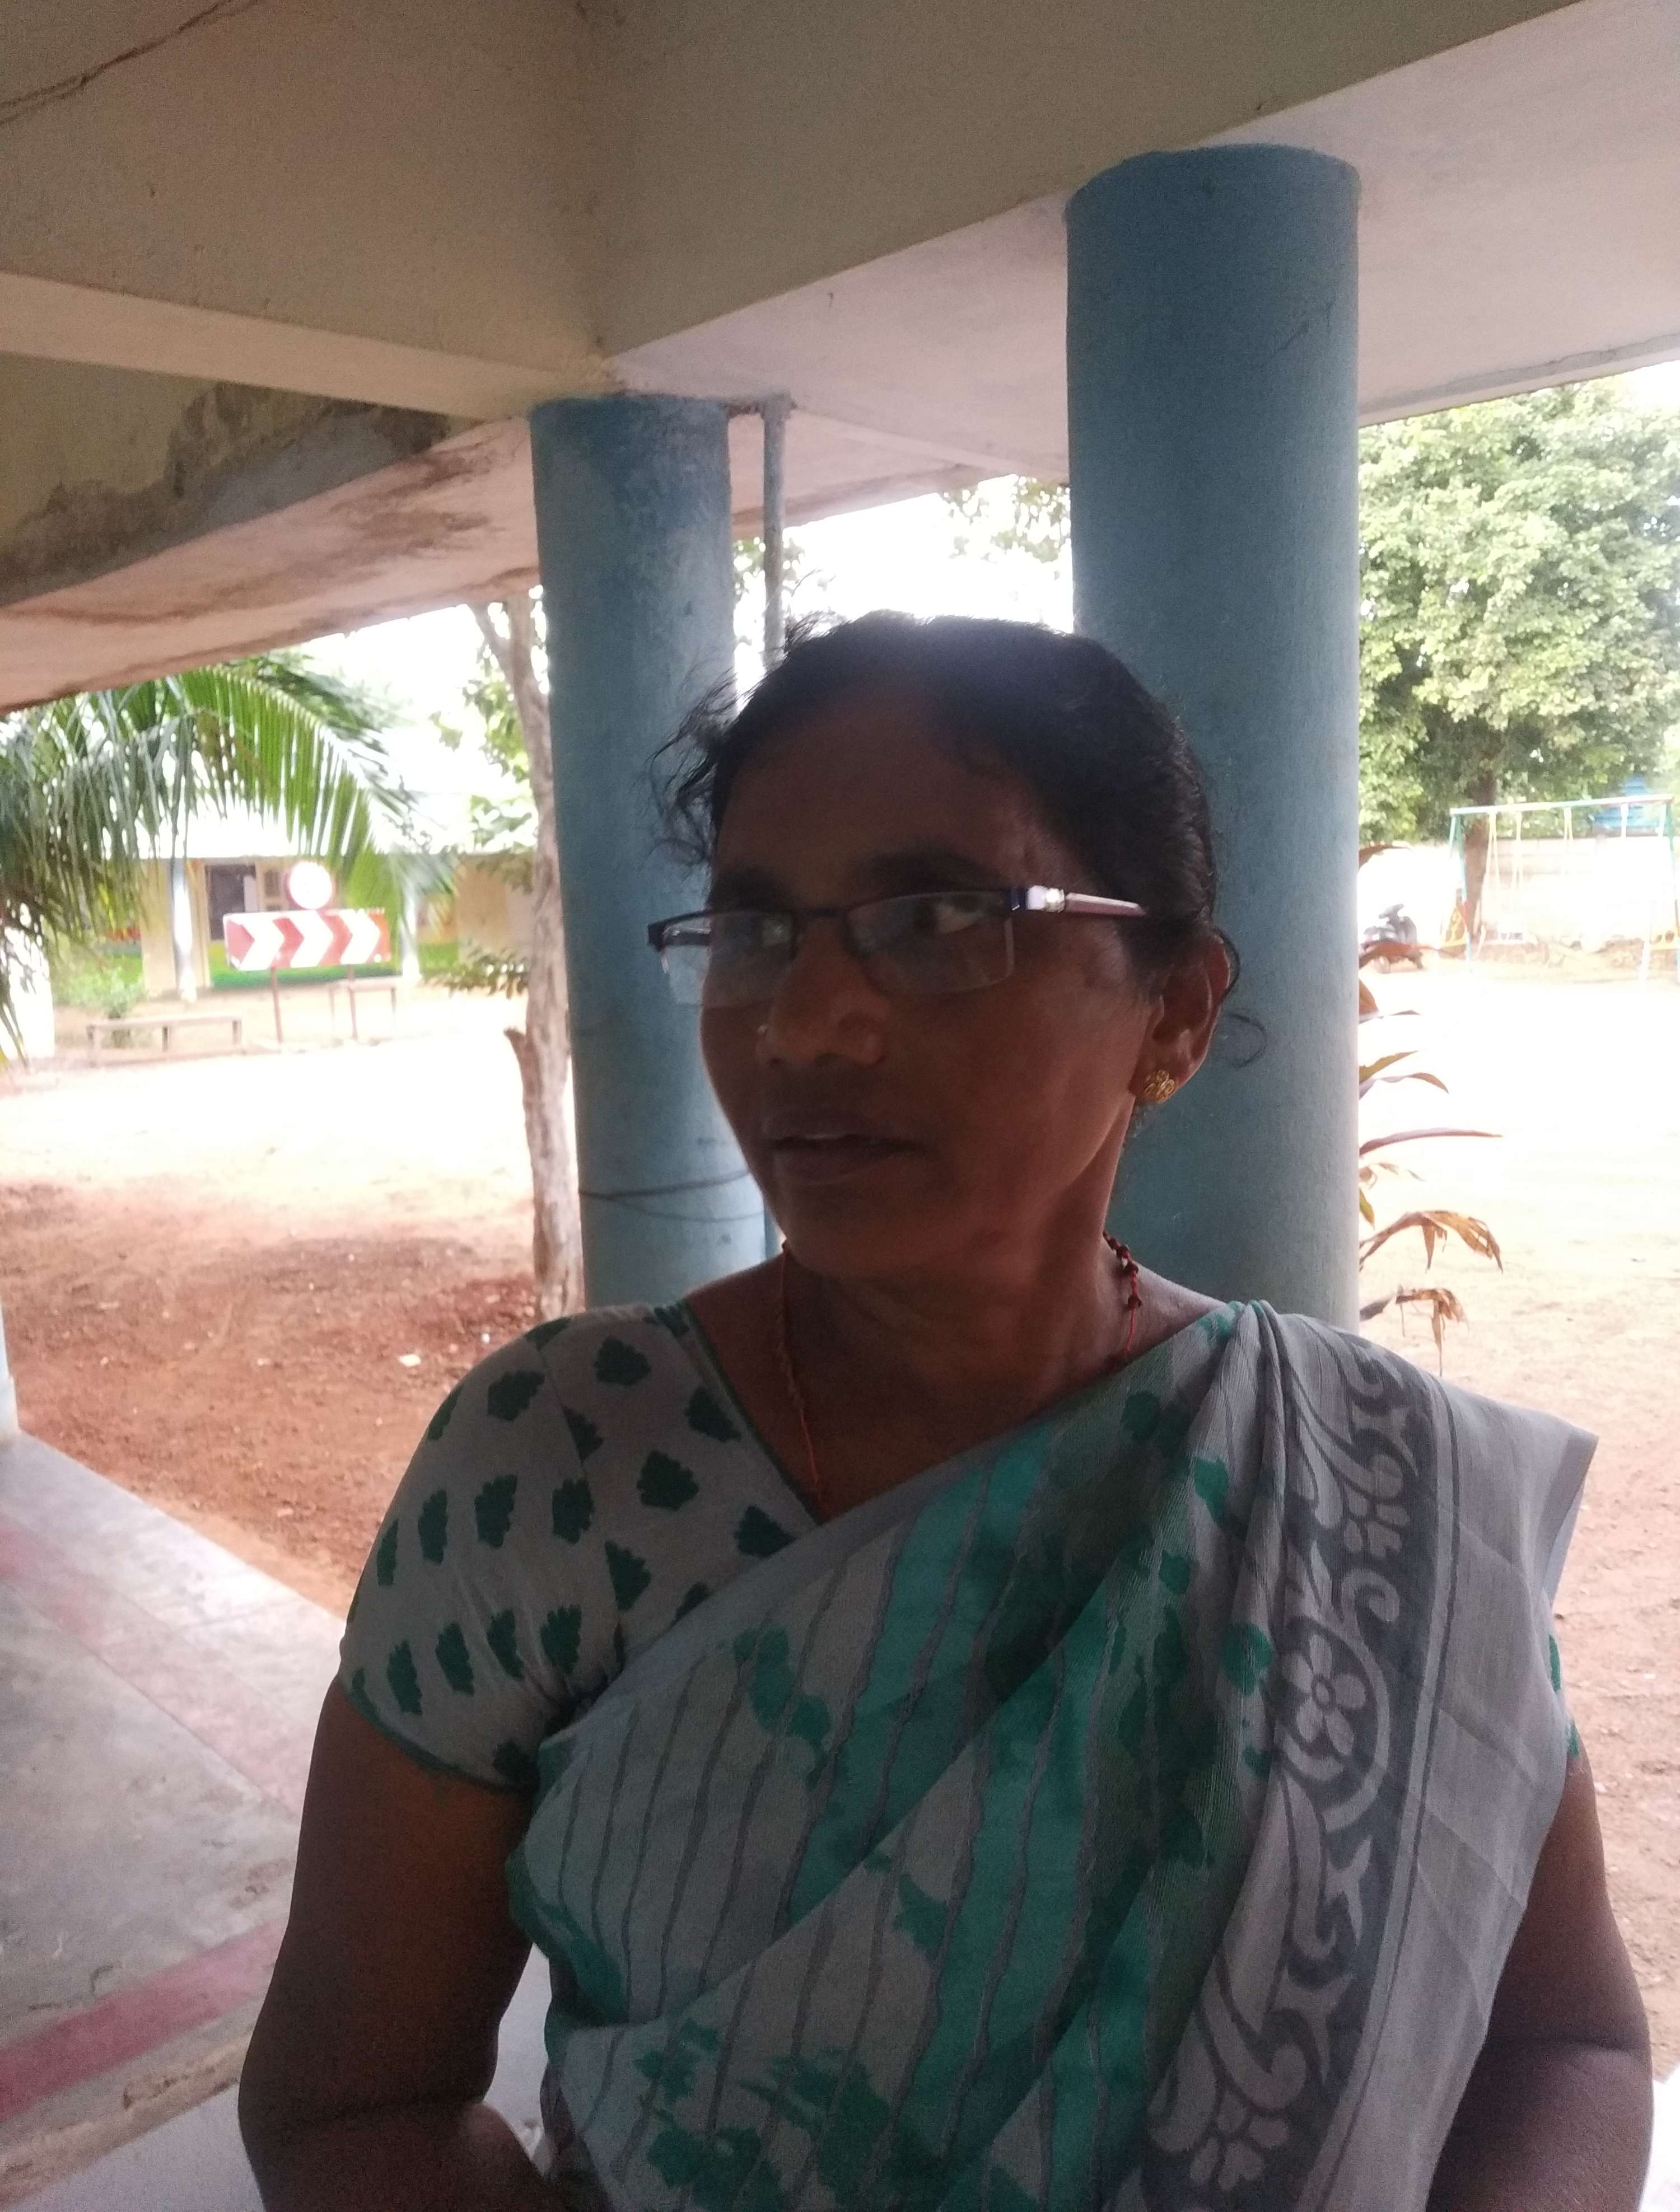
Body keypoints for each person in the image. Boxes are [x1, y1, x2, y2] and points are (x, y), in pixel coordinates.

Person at [240, 615, 1651, 2210]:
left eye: (937, 919)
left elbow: (1568, 2046)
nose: (803, 1023)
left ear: (1177, 1010)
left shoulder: (1374, 1482)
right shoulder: (563, 1468)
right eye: (756, 930)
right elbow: (353, 2103)